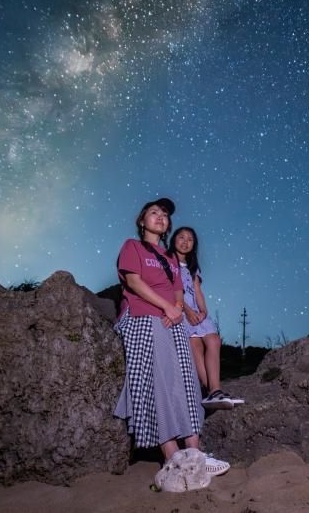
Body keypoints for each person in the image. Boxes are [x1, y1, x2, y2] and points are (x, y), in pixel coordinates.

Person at [113, 198, 229, 475]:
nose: (160, 217)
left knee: (187, 381)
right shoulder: (132, 247)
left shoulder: (169, 258)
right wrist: (166, 307)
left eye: (164, 215)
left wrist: (175, 308)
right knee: (158, 378)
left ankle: (195, 453)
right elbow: (134, 282)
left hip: (172, 318)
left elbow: (178, 289)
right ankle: (173, 456)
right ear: (142, 221)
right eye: (154, 212)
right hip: (142, 315)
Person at [169, 226, 244, 409]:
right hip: (179, 308)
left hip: (196, 311)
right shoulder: (168, 261)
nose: (185, 242)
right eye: (182, 237)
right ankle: (211, 391)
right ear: (174, 239)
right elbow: (170, 290)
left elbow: (197, 291)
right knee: (195, 345)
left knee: (214, 340)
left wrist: (203, 311)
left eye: (190, 240)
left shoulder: (192, 267)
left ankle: (215, 389)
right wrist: (187, 311)